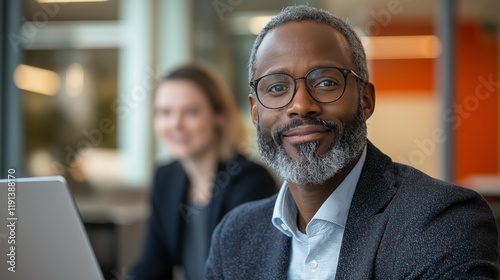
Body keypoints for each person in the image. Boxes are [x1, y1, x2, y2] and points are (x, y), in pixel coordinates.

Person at [205, 6, 499, 279]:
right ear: (255, 112)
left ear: (366, 100)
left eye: (326, 83)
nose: (301, 105)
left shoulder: (442, 221)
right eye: (277, 87)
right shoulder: (234, 237)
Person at [130, 64, 276, 280]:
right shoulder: (166, 177)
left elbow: (242, 274)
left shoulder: (251, 181)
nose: (175, 124)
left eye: (190, 112)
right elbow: (152, 265)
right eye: (165, 112)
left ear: (219, 116)